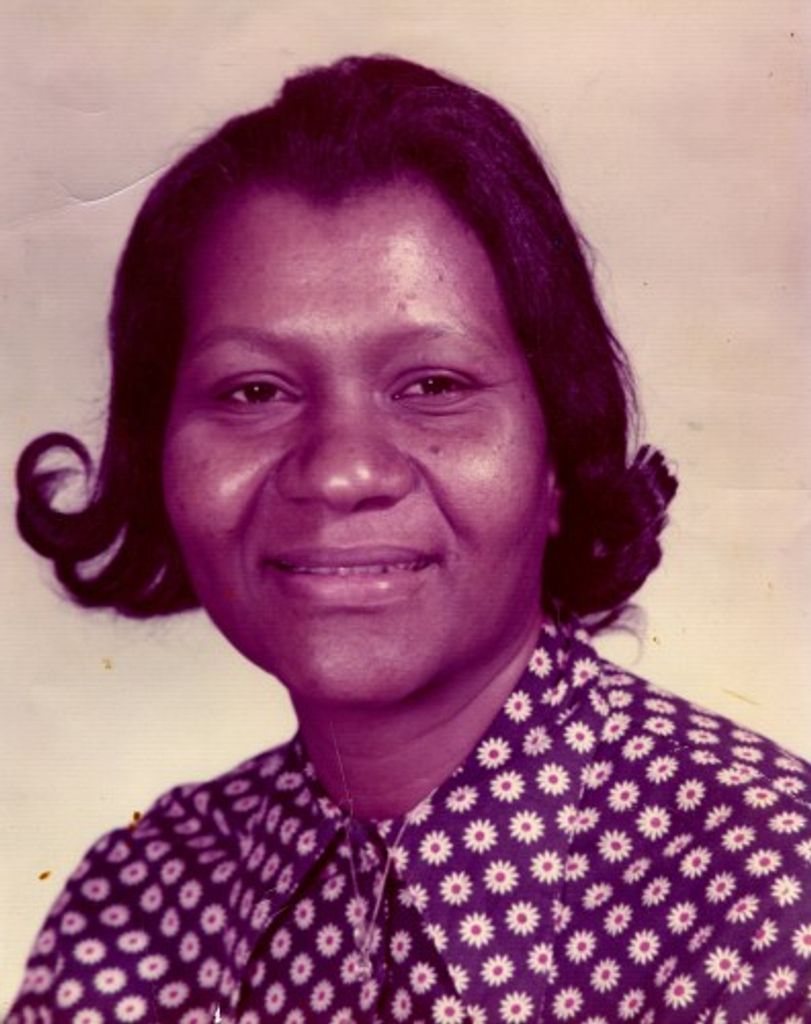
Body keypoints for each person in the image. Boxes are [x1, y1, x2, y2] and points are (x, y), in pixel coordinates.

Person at [9, 54, 810, 1024]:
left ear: (559, 451)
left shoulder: (767, 895)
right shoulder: (137, 905)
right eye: (253, 391)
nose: (341, 471)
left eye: (433, 385)